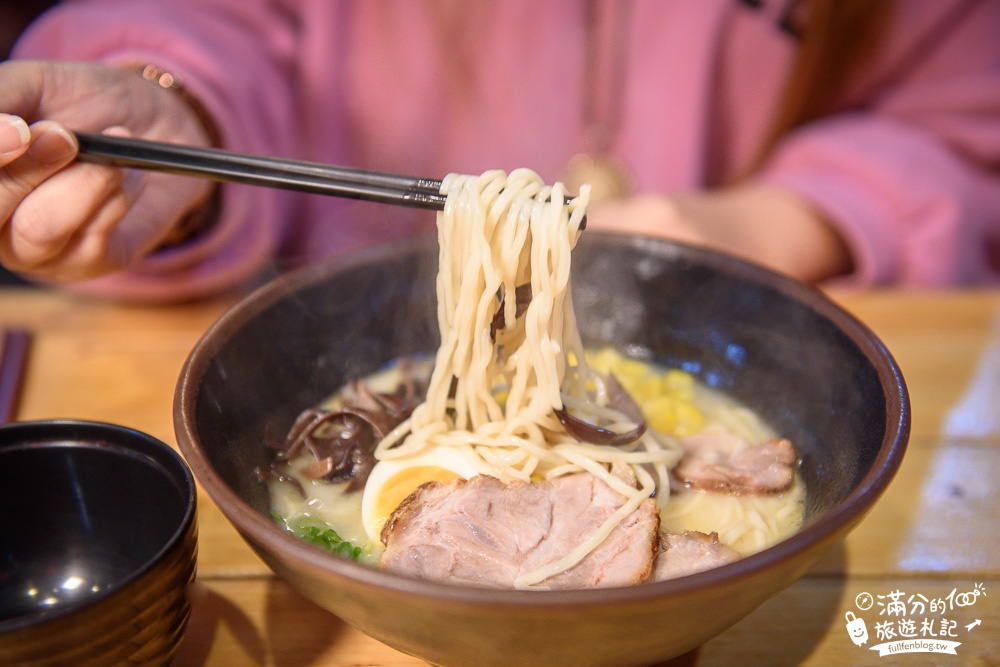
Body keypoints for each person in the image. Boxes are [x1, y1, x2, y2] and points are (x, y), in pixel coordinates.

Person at [0, 0, 998, 302]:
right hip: (334, 322)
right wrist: (183, 113)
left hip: (717, 321)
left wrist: (786, 215)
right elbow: (209, 23)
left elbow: (958, 123)